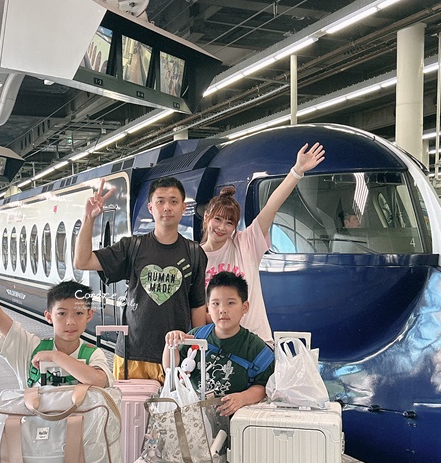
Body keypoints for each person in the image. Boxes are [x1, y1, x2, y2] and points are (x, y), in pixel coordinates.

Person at [74, 176, 207, 383]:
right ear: (150, 208)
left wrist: (196, 350)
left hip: (175, 355)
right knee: (130, 414)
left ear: (183, 208)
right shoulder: (132, 247)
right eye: (160, 201)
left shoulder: (195, 253)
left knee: (172, 414)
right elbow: (82, 262)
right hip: (131, 354)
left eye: (173, 201)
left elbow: (197, 306)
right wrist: (88, 218)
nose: (167, 207)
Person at [0, 236, 113, 389]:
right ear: (48, 316)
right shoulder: (30, 347)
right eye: (61, 314)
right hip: (34, 426)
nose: (70, 322)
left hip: (78, 428)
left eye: (79, 314)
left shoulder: (92, 354)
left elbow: (98, 380)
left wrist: (55, 356)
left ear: (89, 316)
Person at [200, 143, 325, 344]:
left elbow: (271, 208)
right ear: (207, 217)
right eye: (218, 219)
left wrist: (297, 171)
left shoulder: (246, 243)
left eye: (229, 222)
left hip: (258, 342)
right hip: (219, 346)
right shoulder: (194, 256)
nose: (222, 227)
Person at [164, 272, 274, 417]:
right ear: (208, 308)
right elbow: (170, 369)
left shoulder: (257, 349)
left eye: (231, 303)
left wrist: (243, 398)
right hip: (195, 419)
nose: (222, 309)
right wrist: (171, 345)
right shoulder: (195, 336)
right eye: (216, 303)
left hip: (234, 422)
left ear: (245, 307)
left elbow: (263, 386)